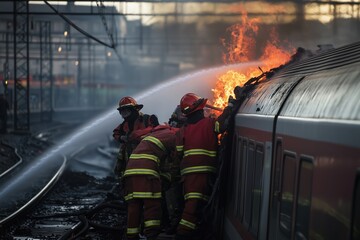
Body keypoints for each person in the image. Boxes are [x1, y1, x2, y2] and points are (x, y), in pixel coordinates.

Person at [174, 93, 233, 240]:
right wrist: (230, 108)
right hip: (203, 172)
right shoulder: (209, 123)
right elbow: (222, 126)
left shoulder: (183, 130)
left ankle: (191, 231)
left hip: (187, 175)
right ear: (200, 110)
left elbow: (178, 153)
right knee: (193, 207)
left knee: (194, 204)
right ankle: (182, 234)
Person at [122, 124, 180, 240]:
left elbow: (161, 163)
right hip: (147, 173)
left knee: (134, 206)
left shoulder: (151, 136)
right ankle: (151, 235)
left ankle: (131, 236)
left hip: (129, 173)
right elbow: (175, 160)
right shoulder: (173, 135)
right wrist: (171, 178)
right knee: (152, 205)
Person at [112, 96, 158, 177]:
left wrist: (136, 135)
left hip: (147, 158)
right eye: (122, 111)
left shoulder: (148, 119)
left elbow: (157, 130)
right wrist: (122, 138)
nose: (124, 113)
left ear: (133, 109)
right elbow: (115, 133)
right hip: (130, 160)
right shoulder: (124, 125)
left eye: (126, 110)